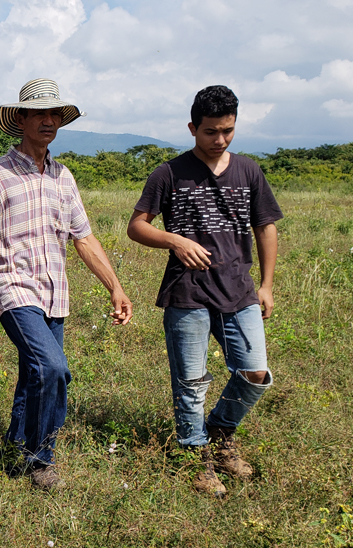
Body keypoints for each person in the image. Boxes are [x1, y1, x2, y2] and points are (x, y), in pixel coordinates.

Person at [0, 78, 133, 490]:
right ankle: (41, 461)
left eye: (55, 114)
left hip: (54, 292)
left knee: (34, 375)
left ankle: (16, 450)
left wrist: (115, 286)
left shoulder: (63, 177)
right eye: (40, 113)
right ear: (21, 119)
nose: (49, 121)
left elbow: (84, 238)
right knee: (53, 368)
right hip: (12, 287)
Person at [126, 85, 281, 497]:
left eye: (228, 130)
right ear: (193, 128)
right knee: (191, 383)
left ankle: (220, 431)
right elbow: (136, 226)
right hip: (187, 293)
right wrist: (174, 240)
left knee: (256, 373)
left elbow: (265, 226)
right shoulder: (169, 173)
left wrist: (266, 285)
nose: (220, 140)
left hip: (239, 291)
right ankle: (197, 458)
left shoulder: (248, 171)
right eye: (211, 131)